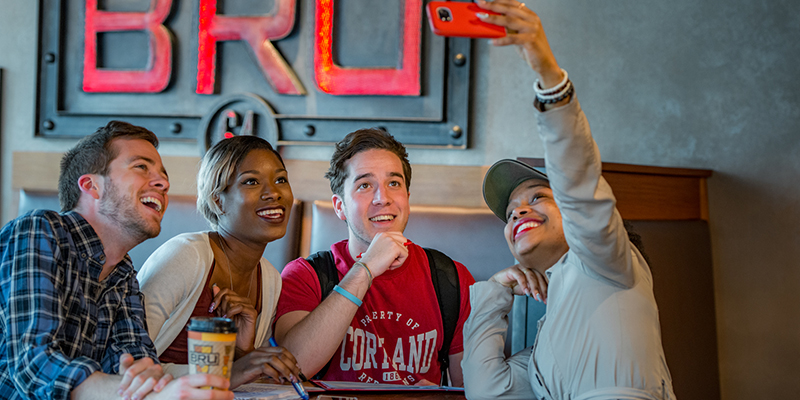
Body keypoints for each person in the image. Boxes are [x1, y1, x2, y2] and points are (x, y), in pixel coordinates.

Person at [461, 1, 676, 399]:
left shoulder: (603, 262)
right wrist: (495, 288)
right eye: (510, 213)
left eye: (538, 196)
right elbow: (486, 390)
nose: (518, 211)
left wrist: (549, 77)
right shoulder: (543, 354)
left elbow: (579, 188)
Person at [0, 121, 233, 400]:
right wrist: (149, 394)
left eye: (162, 174)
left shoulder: (122, 271)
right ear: (92, 186)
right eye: (141, 167)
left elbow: (139, 366)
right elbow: (34, 366)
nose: (164, 183)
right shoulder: (39, 230)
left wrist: (150, 383)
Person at [274, 128, 476, 386]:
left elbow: (469, 391)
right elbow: (295, 368)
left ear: (407, 198)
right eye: (365, 185)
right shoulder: (304, 276)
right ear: (339, 206)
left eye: (394, 183)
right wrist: (366, 268)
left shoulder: (453, 279)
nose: (384, 198)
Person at [137, 136, 302, 389]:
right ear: (218, 201)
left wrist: (244, 352)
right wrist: (231, 369)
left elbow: (238, 382)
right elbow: (126, 365)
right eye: (251, 182)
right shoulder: (186, 256)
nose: (274, 193)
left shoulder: (270, 280)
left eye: (281, 179)